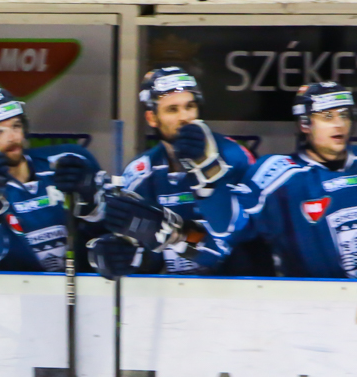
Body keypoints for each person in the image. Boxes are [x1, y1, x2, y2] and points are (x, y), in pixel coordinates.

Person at [99, 83, 357, 280]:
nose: (339, 124)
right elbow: (221, 239)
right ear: (304, 123)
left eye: (344, 115)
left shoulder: (238, 157)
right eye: (327, 116)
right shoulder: (275, 173)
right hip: (309, 309)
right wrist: (172, 232)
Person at [95, 66, 273, 278]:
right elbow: (149, 254)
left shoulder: (234, 155)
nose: (185, 117)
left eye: (190, 106)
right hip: (175, 293)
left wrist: (207, 172)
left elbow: (237, 236)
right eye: (172, 109)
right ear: (152, 118)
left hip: (237, 286)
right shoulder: (140, 171)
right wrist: (124, 255)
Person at [0, 88, 105, 272]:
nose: (12, 137)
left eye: (16, 126)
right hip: (18, 297)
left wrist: (91, 203)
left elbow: (111, 227)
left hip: (88, 289)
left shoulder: (70, 160)